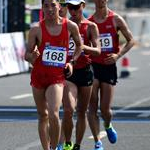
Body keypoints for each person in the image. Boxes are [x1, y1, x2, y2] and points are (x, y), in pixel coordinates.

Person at [24, 0, 83, 150]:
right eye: (46, 5)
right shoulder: (36, 29)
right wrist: (33, 57)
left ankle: (56, 146)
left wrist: (72, 62)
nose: (49, 9)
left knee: (53, 113)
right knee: (42, 115)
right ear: (42, 7)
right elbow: (26, 55)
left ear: (59, 6)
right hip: (38, 76)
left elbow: (79, 45)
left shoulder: (70, 26)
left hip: (56, 78)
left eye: (53, 5)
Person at [87, 0, 135, 150]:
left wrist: (118, 55)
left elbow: (131, 40)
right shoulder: (89, 23)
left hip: (109, 67)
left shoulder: (116, 19)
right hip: (93, 67)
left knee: (105, 110)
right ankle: (97, 142)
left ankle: (107, 125)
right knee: (92, 108)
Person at [60, 0, 101, 150]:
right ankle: (67, 143)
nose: (73, 11)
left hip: (85, 71)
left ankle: (77, 145)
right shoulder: (64, 25)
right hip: (69, 72)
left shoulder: (91, 26)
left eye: (76, 7)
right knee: (69, 109)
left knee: (82, 112)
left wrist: (81, 46)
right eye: (70, 7)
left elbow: (98, 51)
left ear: (83, 5)